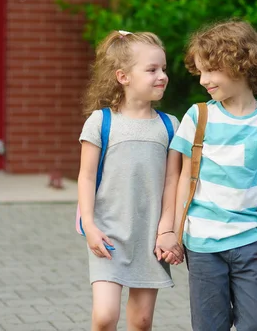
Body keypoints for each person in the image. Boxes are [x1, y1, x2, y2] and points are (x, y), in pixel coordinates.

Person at [168, 20, 257, 331]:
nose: (203, 80)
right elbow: (184, 178)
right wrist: (174, 231)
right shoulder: (199, 117)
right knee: (210, 326)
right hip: (202, 244)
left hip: (250, 243)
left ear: (240, 63)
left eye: (210, 71)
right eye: (199, 72)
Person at [77, 30, 184, 331]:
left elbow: (172, 182)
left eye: (163, 68)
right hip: (108, 234)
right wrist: (89, 226)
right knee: (105, 316)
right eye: (151, 70)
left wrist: (168, 229)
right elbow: (85, 177)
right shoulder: (101, 121)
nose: (161, 76)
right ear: (123, 76)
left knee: (141, 321)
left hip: (149, 237)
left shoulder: (169, 126)